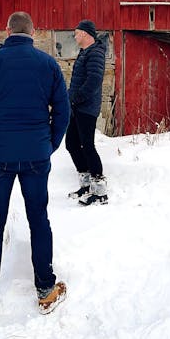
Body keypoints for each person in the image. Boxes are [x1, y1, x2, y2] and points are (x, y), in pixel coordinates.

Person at [0, 11, 71, 314]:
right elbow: (63, 112)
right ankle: (46, 288)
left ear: (8, 31)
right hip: (36, 154)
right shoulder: (48, 64)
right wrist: (49, 143)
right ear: (33, 31)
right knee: (39, 218)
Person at [65, 19, 108, 206]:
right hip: (77, 107)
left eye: (76, 32)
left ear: (85, 33)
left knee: (87, 146)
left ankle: (100, 192)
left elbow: (94, 80)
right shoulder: (85, 52)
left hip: (86, 108)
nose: (74, 36)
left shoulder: (96, 53)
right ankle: (86, 185)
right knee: (72, 144)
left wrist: (77, 98)